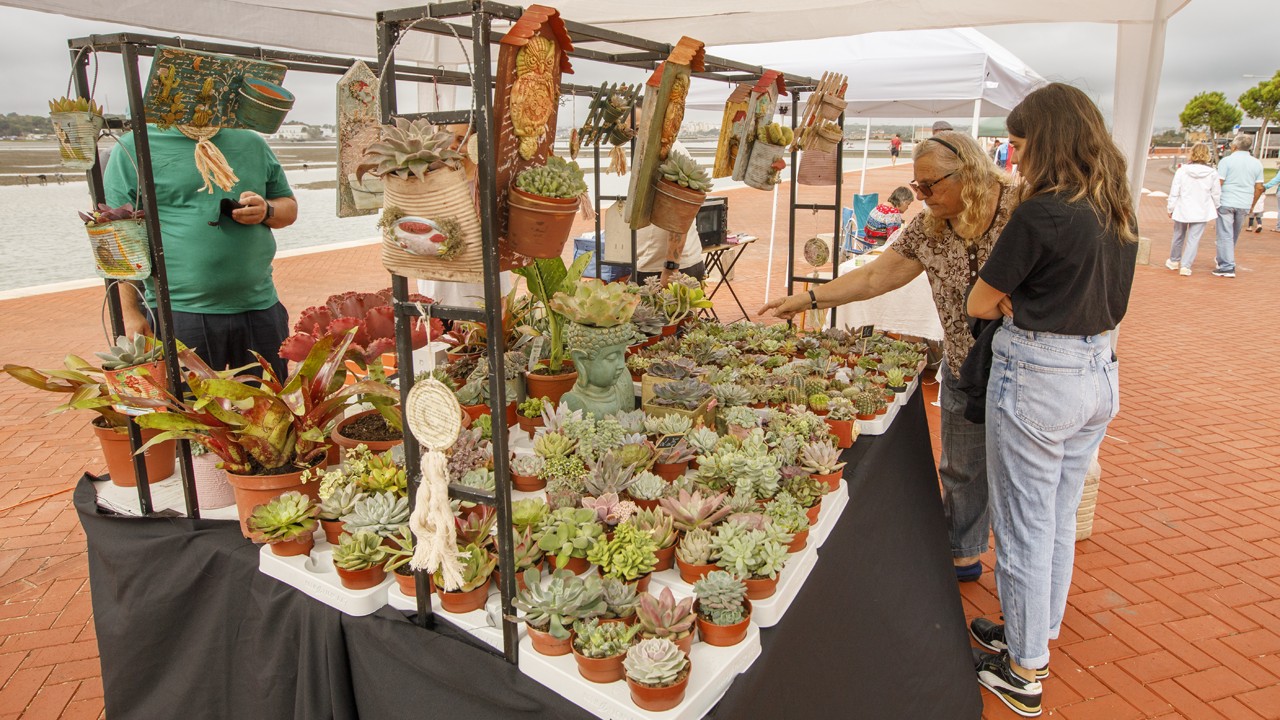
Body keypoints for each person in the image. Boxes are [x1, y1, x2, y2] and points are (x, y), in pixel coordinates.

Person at [760, 129, 1016, 583]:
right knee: (960, 467)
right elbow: (876, 277)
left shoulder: (1019, 209)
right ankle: (962, 553)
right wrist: (808, 300)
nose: (922, 195)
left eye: (930, 185)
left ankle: (1022, 585)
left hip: (1022, 372)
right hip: (964, 363)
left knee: (1017, 478)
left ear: (970, 174)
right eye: (917, 186)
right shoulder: (929, 224)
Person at [966, 82, 1137, 718]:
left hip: (1040, 375)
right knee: (1056, 517)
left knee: (1022, 526)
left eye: (1016, 144)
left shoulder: (1042, 212)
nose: (1012, 157)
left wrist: (1014, 302)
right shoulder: (1115, 205)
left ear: (1046, 142)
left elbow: (979, 301)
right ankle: (1033, 633)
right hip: (1098, 372)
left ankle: (1023, 668)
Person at [104, 127, 298, 378]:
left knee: (271, 410)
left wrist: (266, 210)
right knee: (190, 411)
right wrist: (129, 312)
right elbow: (117, 235)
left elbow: (289, 209)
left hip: (259, 307)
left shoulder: (251, 142)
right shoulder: (135, 146)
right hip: (180, 312)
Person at [632, 141, 705, 286]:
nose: (633, 133)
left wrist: (671, 267)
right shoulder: (648, 147)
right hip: (650, 263)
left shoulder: (670, 151)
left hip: (669, 268)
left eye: (638, 128)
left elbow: (680, 213)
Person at [1212, 134, 1265, 277]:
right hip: (1244, 203)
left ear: (1234, 146)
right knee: (1233, 234)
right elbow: (1259, 187)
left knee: (1224, 234)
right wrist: (1252, 205)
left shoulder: (1227, 161)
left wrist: (1213, 200)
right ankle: (1223, 259)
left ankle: (1227, 266)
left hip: (1227, 201)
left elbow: (1219, 183)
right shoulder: (1257, 163)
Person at [1165, 142, 1220, 276]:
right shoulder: (1212, 173)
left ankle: (1174, 260)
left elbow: (1175, 191)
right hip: (1202, 209)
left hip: (1182, 208)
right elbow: (1216, 193)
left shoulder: (1182, 170)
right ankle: (1186, 266)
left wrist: (1170, 207)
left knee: (1178, 235)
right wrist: (1216, 207)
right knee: (1193, 239)